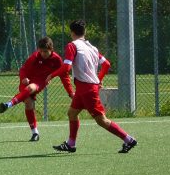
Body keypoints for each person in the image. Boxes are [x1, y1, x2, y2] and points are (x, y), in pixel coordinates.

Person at [46, 19, 137, 153]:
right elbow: (106, 64)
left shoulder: (72, 45)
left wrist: (51, 75)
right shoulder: (92, 48)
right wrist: (98, 80)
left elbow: (66, 67)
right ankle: (71, 144)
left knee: (102, 121)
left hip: (86, 89)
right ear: (85, 32)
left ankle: (129, 140)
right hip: (85, 88)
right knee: (72, 113)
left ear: (71, 33)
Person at [0, 36, 74, 141]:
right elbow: (23, 69)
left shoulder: (57, 60)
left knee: (30, 88)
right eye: (41, 51)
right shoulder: (35, 56)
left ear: (51, 50)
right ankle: (35, 133)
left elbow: (64, 76)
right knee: (29, 104)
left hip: (40, 82)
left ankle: (8, 104)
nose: (42, 54)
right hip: (26, 81)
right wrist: (23, 77)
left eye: (45, 51)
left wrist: (70, 92)